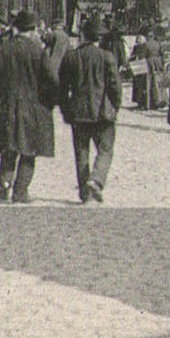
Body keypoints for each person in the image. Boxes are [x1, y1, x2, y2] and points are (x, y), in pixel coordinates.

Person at [0, 10, 60, 203]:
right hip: (32, 109)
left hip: (5, 107)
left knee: (8, 146)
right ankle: (21, 191)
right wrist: (50, 102)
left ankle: (5, 184)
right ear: (32, 30)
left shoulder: (1, 50)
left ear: (16, 28)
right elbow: (52, 81)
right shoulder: (38, 52)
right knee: (28, 150)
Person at [60, 16, 122, 203]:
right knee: (105, 150)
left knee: (81, 153)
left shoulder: (71, 57)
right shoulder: (107, 57)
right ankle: (96, 179)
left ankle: (85, 194)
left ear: (83, 36)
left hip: (78, 113)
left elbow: (62, 88)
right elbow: (116, 87)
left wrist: (66, 110)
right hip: (103, 113)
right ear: (98, 38)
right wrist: (115, 107)